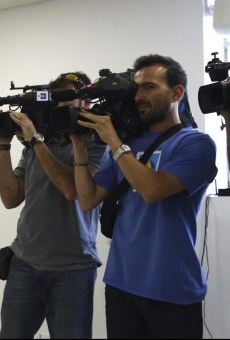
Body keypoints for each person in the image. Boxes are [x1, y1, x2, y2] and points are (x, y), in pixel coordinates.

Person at [71, 54, 217, 339]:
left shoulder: (195, 143)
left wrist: (114, 141)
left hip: (173, 291)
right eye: (136, 88)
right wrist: (79, 146)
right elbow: (87, 200)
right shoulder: (128, 145)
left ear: (176, 92)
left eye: (149, 87)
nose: (139, 96)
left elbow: (153, 190)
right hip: (121, 286)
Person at [0, 72, 109, 339]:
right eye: (54, 102)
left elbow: (72, 190)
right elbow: (10, 199)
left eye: (66, 101)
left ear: (86, 104)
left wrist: (35, 140)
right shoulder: (35, 145)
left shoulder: (96, 144)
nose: (58, 108)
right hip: (24, 262)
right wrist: (3, 147)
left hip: (73, 268)